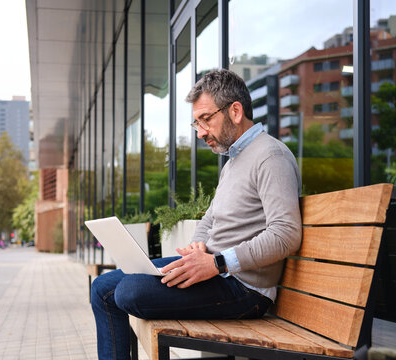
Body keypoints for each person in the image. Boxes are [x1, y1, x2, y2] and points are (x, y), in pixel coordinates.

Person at [90, 68, 302, 359]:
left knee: (128, 291)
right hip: (216, 271)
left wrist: (217, 262)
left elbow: (286, 234)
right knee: (103, 287)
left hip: (244, 290)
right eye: (197, 123)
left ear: (236, 111)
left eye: (206, 119)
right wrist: (197, 245)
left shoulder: (271, 156)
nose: (201, 132)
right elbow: (209, 220)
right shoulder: (233, 163)